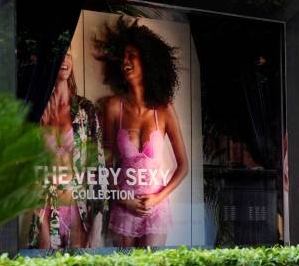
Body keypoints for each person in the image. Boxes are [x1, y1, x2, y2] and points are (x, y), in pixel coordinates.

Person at [95, 17, 189, 248]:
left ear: (147, 61)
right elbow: (104, 166)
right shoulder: (113, 106)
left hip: (155, 207)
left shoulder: (164, 109)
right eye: (123, 57)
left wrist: (158, 197)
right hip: (124, 204)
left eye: (131, 56)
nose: (124, 62)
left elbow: (183, 166)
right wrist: (122, 198)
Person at [29, 48, 106, 249]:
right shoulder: (37, 110)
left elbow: (98, 168)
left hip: (78, 209)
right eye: (58, 55)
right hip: (46, 207)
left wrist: (97, 226)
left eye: (68, 54)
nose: (64, 60)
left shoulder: (84, 108)